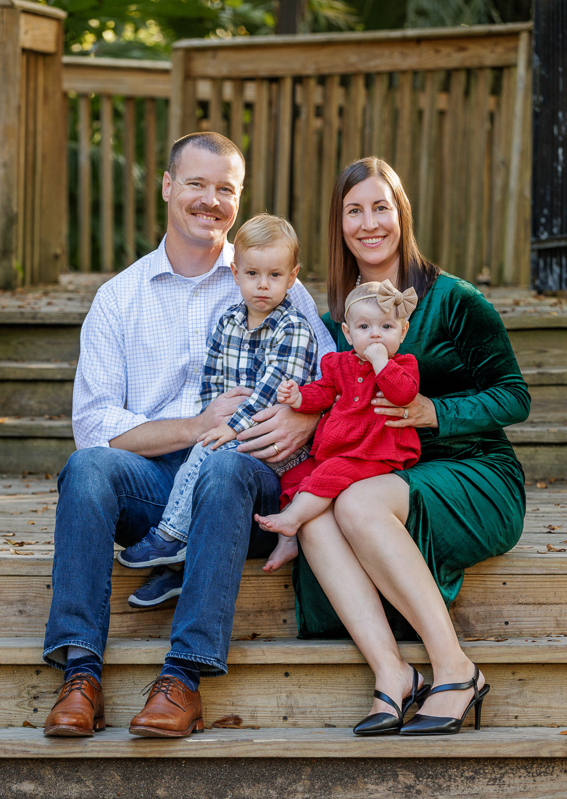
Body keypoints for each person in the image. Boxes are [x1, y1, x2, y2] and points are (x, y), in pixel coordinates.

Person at [42, 132, 335, 738]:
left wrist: (305, 417)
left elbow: (332, 374)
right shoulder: (119, 297)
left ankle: (183, 678)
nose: (210, 200)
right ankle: (80, 674)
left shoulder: (269, 276)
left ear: (239, 198)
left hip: (245, 481)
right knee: (87, 468)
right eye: (196, 183)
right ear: (167, 185)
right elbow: (93, 425)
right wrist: (197, 427)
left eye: (225, 188)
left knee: (223, 468)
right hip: (154, 481)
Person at [290, 156, 530, 737]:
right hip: (378, 471)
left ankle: (456, 669)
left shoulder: (453, 300)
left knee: (356, 503)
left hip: (472, 469)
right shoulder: (336, 319)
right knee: (314, 515)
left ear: (402, 214)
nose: (369, 223)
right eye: (354, 211)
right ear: (339, 223)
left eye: (381, 207)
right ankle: (392, 672)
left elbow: (514, 396)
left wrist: (435, 412)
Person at [118, 213, 318, 581]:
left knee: (208, 452)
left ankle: (170, 537)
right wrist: (214, 419)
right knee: (204, 451)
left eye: (275, 275)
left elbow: (271, 389)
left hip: (274, 445)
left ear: (292, 277)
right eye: (253, 273)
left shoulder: (294, 328)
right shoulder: (229, 322)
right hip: (236, 433)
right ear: (235, 274)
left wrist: (230, 429)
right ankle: (174, 570)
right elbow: (212, 377)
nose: (263, 285)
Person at [254, 280, 421, 538]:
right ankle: (289, 540)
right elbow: (324, 391)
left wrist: (380, 362)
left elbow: (402, 395)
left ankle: (291, 519)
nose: (375, 334)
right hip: (339, 448)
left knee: (330, 473)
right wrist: (299, 397)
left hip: (377, 451)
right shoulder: (338, 363)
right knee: (293, 476)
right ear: (348, 333)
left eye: (386, 326)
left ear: (403, 332)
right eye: (364, 327)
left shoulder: (403, 365)